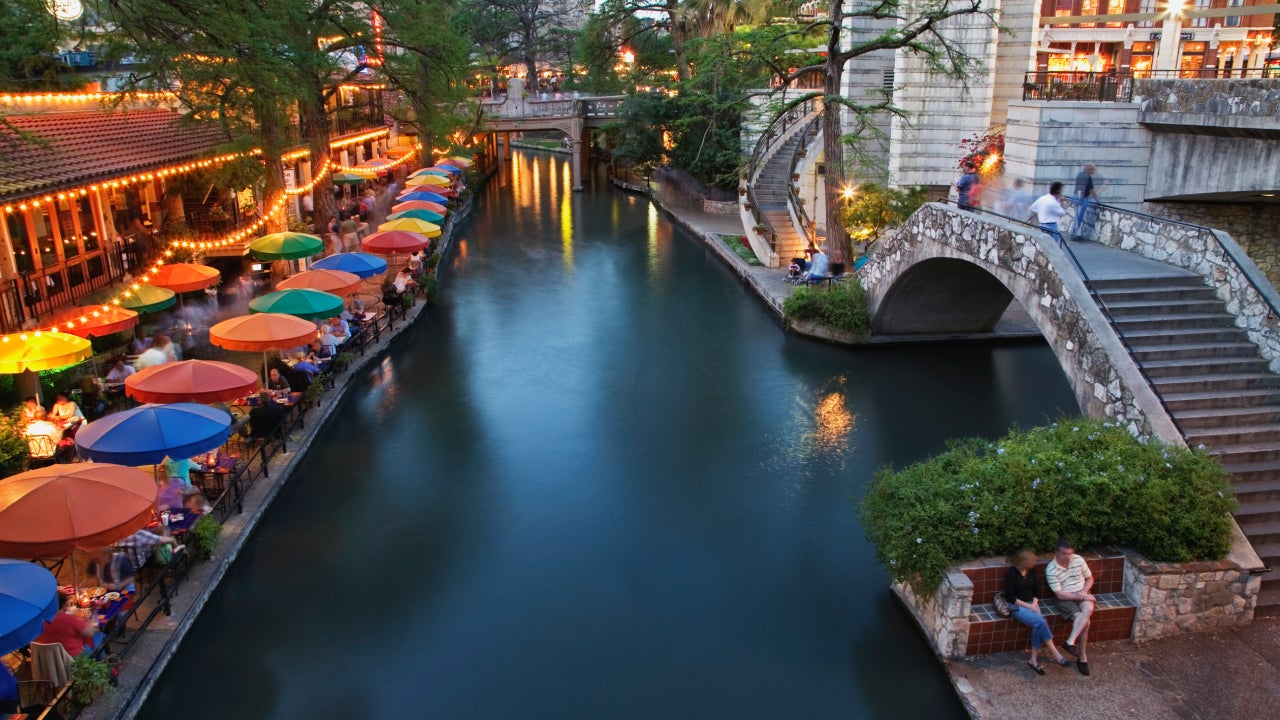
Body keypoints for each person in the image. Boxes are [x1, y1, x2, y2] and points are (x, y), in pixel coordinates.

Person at [1005, 550, 1070, 675]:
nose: (1034, 563)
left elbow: (1036, 590)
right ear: (1024, 562)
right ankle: (1055, 653)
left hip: (1032, 604)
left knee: (1038, 626)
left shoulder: (1032, 571)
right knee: (1041, 622)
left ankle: (1033, 660)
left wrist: (1034, 603)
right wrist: (1028, 606)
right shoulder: (1012, 573)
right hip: (1018, 606)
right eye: (1031, 561)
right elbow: (1010, 597)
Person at [1046, 538, 1095, 676]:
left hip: (1082, 593)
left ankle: (1070, 641)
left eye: (1070, 554)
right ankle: (1082, 657)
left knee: (1088, 609)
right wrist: (1082, 596)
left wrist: (1084, 592)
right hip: (1065, 598)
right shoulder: (1051, 569)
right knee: (1085, 622)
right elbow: (1059, 594)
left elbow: (1090, 578)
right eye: (1064, 554)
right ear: (1056, 553)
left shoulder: (1078, 560)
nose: (1068, 557)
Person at [33, 590, 97, 657]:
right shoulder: (69, 620)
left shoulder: (38, 621)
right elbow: (89, 633)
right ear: (64, 604)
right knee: (99, 636)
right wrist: (89, 620)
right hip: (72, 659)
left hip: (48, 659)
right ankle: (101, 661)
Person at [1071, 163, 1099, 241]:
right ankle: (1073, 234)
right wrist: (1097, 200)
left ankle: (1073, 232)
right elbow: (1091, 190)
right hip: (1082, 198)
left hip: (1076, 196)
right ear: (1089, 169)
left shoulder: (1079, 175)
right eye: (1093, 170)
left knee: (1076, 216)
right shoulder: (1088, 177)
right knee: (1079, 217)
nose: (1093, 172)